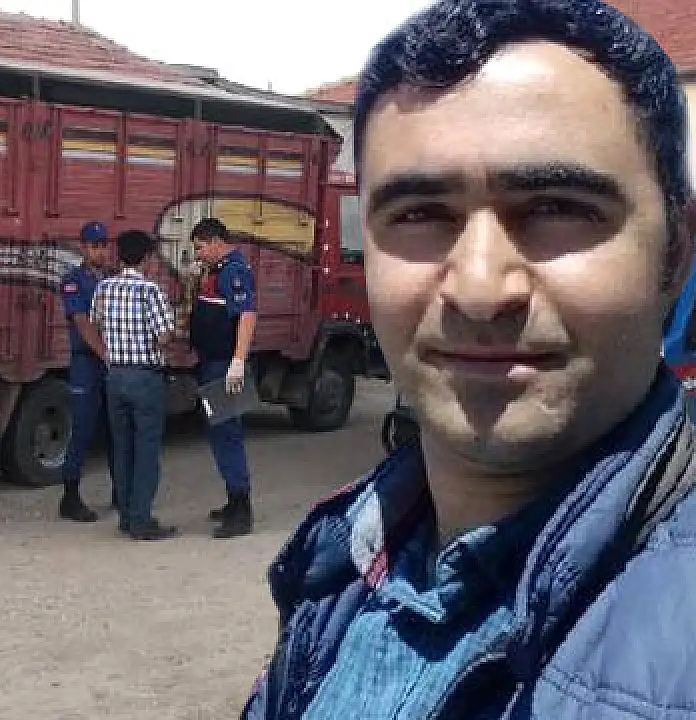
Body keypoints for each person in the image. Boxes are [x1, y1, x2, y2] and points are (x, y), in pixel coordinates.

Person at [240, 0, 696, 718]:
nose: (480, 291)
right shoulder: (339, 569)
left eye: (557, 208)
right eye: (420, 215)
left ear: (676, 250)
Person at [92, 230, 178, 541]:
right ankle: (141, 519)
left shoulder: (104, 288)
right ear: (146, 258)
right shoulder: (150, 291)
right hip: (145, 377)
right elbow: (164, 336)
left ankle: (126, 516)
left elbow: (97, 324)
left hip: (114, 376)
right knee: (146, 450)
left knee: (122, 448)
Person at [189, 217, 257, 538]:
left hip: (223, 366)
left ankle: (242, 510)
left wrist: (238, 361)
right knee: (218, 433)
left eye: (200, 247)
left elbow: (246, 315)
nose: (198, 254)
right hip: (210, 364)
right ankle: (233, 499)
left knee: (227, 434)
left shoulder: (234, 271)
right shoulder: (216, 270)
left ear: (217, 241)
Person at [58, 220, 117, 522]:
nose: (100, 251)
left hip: (111, 363)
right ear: (83, 248)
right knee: (82, 430)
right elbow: (81, 322)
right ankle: (70, 497)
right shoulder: (73, 280)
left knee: (117, 429)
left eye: (104, 245)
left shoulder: (113, 279)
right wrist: (106, 354)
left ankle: (121, 492)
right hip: (87, 363)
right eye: (94, 246)